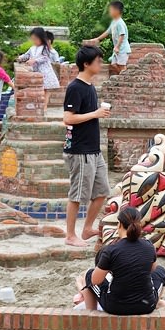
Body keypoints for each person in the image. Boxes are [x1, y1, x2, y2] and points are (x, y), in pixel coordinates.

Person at [62, 46, 111, 246]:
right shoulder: (75, 88)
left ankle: (87, 228)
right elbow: (68, 118)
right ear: (86, 64)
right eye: (98, 61)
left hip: (94, 150)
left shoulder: (90, 87)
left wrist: (97, 113)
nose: (100, 64)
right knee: (77, 195)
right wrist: (95, 114)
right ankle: (70, 235)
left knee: (102, 192)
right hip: (80, 150)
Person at [82, 206, 165, 315]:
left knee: (89, 274)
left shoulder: (111, 250)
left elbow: (95, 281)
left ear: (120, 225)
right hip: (146, 305)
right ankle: (157, 302)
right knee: (161, 271)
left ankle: (91, 315)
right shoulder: (149, 246)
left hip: (115, 306)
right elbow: (153, 269)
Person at [16, 27, 61, 111]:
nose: (34, 41)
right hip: (37, 71)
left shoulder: (45, 48)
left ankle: (44, 107)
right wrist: (21, 58)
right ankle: (40, 106)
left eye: (36, 39)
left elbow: (45, 57)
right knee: (41, 90)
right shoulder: (32, 48)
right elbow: (27, 55)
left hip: (45, 72)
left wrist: (35, 60)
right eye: (33, 39)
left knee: (46, 90)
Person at [84, 0, 131, 75]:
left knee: (122, 66)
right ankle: (123, 77)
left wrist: (117, 47)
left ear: (117, 11)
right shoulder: (114, 22)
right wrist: (97, 39)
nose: (110, 12)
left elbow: (122, 35)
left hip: (122, 49)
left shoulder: (120, 22)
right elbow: (107, 32)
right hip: (117, 50)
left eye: (111, 10)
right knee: (113, 65)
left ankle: (126, 79)